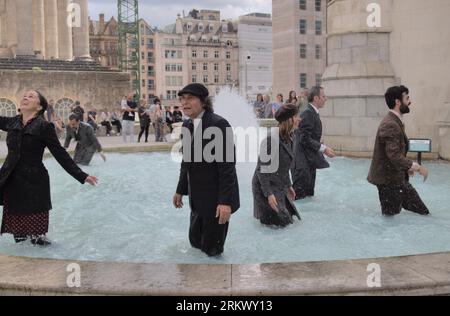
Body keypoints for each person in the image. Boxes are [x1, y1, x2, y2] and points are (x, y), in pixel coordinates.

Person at [0, 91, 98, 246]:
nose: (25, 97)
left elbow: (60, 154)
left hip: (34, 184)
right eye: (25, 95)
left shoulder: (45, 127)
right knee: (19, 238)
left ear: (39, 106)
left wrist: (82, 175)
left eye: (31, 96)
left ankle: (50, 259)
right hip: (12, 183)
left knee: (36, 238)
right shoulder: (12, 122)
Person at [173, 83, 240, 257]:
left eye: (190, 98)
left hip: (216, 203)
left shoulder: (219, 124)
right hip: (197, 201)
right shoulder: (187, 125)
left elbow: (227, 168)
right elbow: (186, 162)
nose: (184, 102)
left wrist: (225, 202)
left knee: (212, 252)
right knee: (195, 244)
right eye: (182, 99)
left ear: (203, 102)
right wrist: (180, 190)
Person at [368, 85, 429, 216]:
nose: (410, 101)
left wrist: (406, 168)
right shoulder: (390, 124)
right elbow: (394, 155)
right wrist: (417, 167)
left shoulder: (396, 121)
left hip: (397, 179)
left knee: (422, 213)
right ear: (398, 102)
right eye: (407, 98)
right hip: (388, 182)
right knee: (391, 219)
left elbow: (393, 154)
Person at [252, 104, 301, 227]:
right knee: (280, 225)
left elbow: (284, 166)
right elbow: (261, 170)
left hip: (279, 183)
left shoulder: (291, 136)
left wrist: (289, 185)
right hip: (265, 187)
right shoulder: (271, 140)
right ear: (288, 120)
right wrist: (268, 195)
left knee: (292, 219)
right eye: (296, 116)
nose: (299, 119)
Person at [291, 86, 336, 200]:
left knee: (307, 198)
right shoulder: (308, 113)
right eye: (323, 96)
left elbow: (307, 137)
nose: (325, 99)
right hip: (302, 165)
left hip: (307, 163)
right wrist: (323, 148)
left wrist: (320, 145)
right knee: (300, 199)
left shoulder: (311, 112)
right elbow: (304, 138)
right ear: (316, 98)